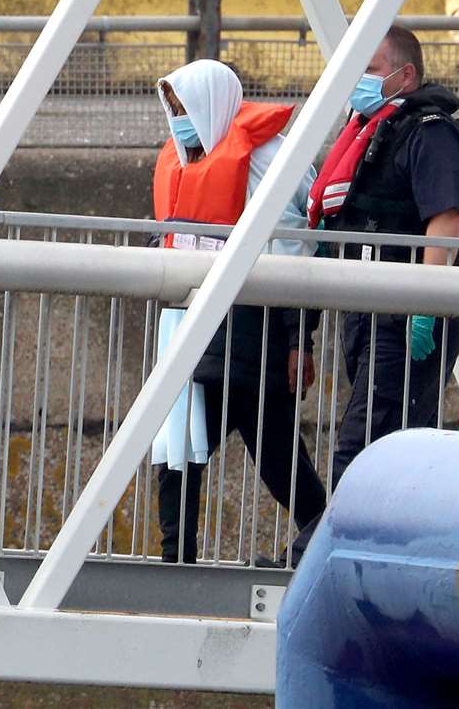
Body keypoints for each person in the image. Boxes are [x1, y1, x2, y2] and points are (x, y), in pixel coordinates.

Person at [291, 26, 459, 558]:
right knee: (390, 450)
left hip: (406, 320)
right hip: (369, 318)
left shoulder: (429, 133)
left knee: (363, 448)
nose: (361, 82)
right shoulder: (372, 134)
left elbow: (446, 218)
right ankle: (388, 559)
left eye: (371, 70)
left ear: (406, 76)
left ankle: (316, 561)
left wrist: (426, 303)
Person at [145, 59, 327, 565]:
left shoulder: (269, 158)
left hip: (252, 332)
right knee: (183, 445)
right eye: (173, 109)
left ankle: (322, 539)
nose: (179, 119)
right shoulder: (183, 158)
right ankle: (175, 559)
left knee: (275, 455)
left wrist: (299, 342)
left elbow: (295, 253)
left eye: (185, 108)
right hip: (193, 332)